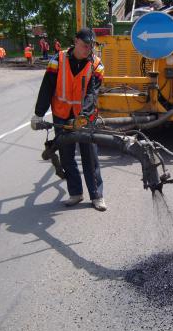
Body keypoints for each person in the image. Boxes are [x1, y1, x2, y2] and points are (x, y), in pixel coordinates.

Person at [31, 28, 107, 211]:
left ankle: (97, 196)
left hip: (85, 117)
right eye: (84, 46)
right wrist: (38, 114)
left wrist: (83, 115)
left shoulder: (96, 65)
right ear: (75, 41)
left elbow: (92, 93)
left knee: (90, 156)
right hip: (62, 115)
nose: (87, 50)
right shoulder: (57, 61)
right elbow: (46, 88)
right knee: (67, 156)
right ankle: (76, 193)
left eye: (90, 47)